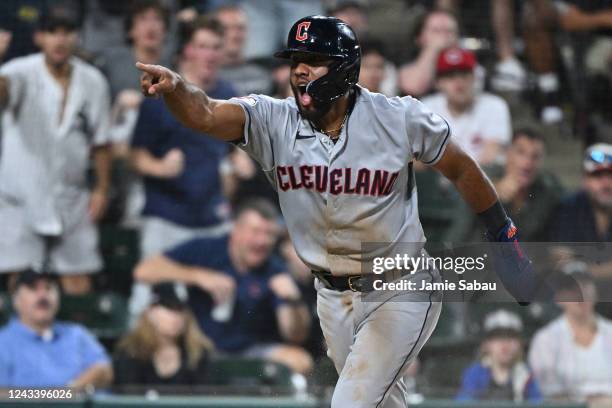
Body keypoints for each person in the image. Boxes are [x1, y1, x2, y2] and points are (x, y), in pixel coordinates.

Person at [136, 15, 541, 407]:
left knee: (352, 402)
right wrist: (176, 88)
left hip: (399, 286)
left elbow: (462, 168)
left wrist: (502, 235)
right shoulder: (272, 119)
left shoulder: (397, 117)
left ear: (345, 68)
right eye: (295, 61)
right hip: (331, 295)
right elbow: (206, 112)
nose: (300, 71)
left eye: (313, 61)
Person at [128, 16, 237, 321]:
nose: (210, 54)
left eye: (216, 47)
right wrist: (159, 167)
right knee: (150, 304)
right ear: (187, 50)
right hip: (167, 217)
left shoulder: (230, 92)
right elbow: (134, 155)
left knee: (219, 304)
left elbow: (230, 153)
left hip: (212, 217)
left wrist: (236, 165)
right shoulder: (161, 92)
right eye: (202, 46)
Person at [134, 199, 313, 375]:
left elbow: (294, 335)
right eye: (255, 231)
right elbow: (144, 271)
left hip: (248, 351)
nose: (262, 240)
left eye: (269, 234)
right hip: (196, 347)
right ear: (235, 229)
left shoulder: (274, 270)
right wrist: (198, 276)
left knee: (300, 361)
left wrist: (293, 301)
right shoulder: (207, 249)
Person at [0, 12, 111, 295]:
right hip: (19, 197)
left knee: (79, 283)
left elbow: (101, 141)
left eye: (67, 31)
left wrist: (101, 188)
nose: (60, 39)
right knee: (22, 282)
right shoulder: (19, 71)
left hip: (71, 196)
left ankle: (72, 339)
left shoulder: (93, 80)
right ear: (39, 37)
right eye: (52, 31)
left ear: (77, 37)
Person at [0, 270, 112, 390]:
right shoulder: (3, 342)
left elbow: (104, 370)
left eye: (48, 288)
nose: (43, 295)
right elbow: (3, 395)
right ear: (16, 300)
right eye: (33, 289)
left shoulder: (76, 334)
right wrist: (58, 397)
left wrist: (70, 391)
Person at [529, 272, 612, 404]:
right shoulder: (545, 339)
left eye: (585, 286)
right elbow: (549, 392)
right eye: (573, 290)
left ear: (595, 294)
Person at [422, 47, 512, 166]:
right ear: (438, 82)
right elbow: (418, 161)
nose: (459, 83)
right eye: (450, 76)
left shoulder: (494, 106)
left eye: (464, 74)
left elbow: (491, 156)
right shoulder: (426, 108)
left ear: (475, 77)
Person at [114, 283, 213, 389]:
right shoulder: (131, 350)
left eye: (180, 310)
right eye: (169, 308)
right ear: (150, 312)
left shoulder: (198, 352)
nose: (176, 317)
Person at [550, 143, 612, 278]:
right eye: (598, 175)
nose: (606, 184)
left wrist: (585, 269)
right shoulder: (569, 208)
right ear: (585, 180)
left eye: (610, 175)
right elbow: (562, 262)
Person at [457, 309, 542, 402]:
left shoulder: (527, 375)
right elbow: (464, 402)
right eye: (498, 337)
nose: (504, 344)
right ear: (486, 344)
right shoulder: (474, 373)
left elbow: (537, 403)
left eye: (510, 337)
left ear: (519, 344)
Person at [398, 9, 459, 98]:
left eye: (449, 31)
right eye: (436, 31)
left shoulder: (469, 62)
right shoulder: (405, 59)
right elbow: (413, 87)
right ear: (419, 37)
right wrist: (433, 49)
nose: (444, 36)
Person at [215, 5, 273, 96]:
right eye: (226, 28)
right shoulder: (208, 76)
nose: (234, 35)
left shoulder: (262, 74)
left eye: (240, 28)